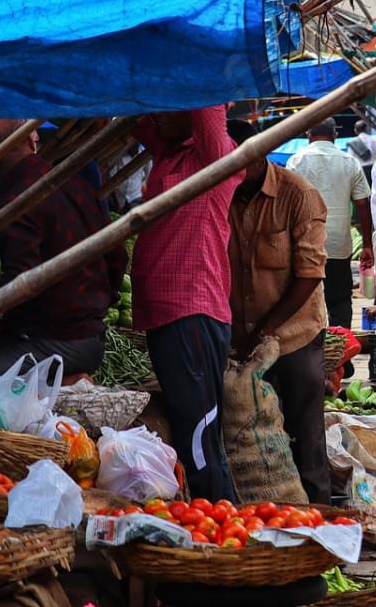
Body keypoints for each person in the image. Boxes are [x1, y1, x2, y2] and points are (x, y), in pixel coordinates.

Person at [0, 119, 126, 397]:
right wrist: (95, 307)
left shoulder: (17, 202)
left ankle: (56, 390)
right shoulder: (73, 182)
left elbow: (17, 286)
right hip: (92, 336)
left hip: (57, 342)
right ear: (31, 139)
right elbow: (117, 255)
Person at [133, 105, 241, 501]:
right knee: (188, 424)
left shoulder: (215, 158)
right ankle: (211, 513)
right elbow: (141, 118)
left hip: (192, 311)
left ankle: (216, 514)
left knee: (198, 432)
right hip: (165, 313)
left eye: (171, 105)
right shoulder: (169, 152)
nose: (159, 115)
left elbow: (209, 102)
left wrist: (193, 59)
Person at [226, 121, 332, 504]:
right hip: (239, 335)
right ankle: (264, 510)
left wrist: (265, 330)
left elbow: (309, 275)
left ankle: (318, 512)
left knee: (306, 427)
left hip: (294, 334)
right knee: (251, 430)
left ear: (258, 154)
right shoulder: (222, 194)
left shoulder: (298, 194)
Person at [286, 118, 373, 329]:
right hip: (338, 245)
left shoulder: (296, 162)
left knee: (305, 301)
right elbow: (362, 205)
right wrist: (367, 245)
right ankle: (342, 351)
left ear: (308, 134)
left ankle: (313, 350)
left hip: (304, 245)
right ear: (335, 134)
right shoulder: (349, 162)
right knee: (340, 300)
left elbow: (286, 205)